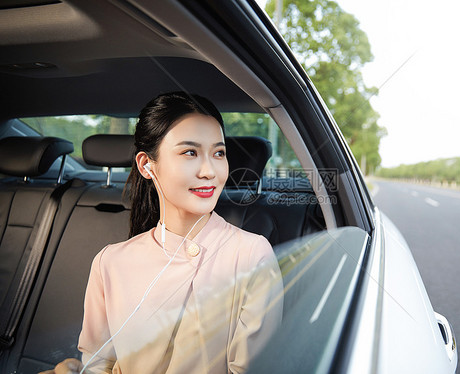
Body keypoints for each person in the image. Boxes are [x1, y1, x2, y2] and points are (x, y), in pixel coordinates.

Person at [41, 92, 283, 374]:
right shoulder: (110, 262)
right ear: (146, 165)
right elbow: (97, 366)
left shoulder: (251, 255)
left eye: (219, 153)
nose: (209, 171)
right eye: (190, 152)